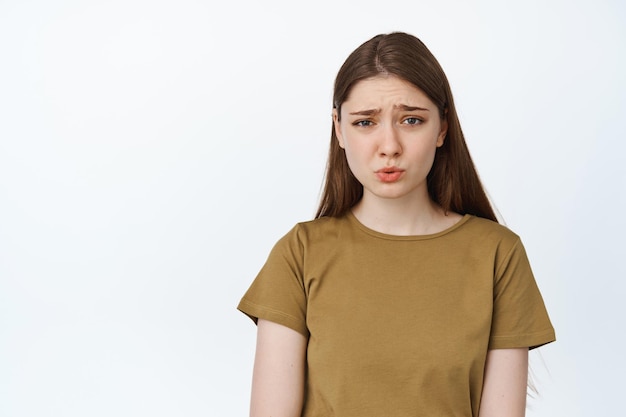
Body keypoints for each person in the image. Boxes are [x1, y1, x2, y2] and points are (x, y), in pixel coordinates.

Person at [237, 31, 555, 417]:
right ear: (339, 129)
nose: (389, 145)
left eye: (411, 120)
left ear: (442, 128)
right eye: (365, 122)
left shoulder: (497, 255)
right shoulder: (300, 253)